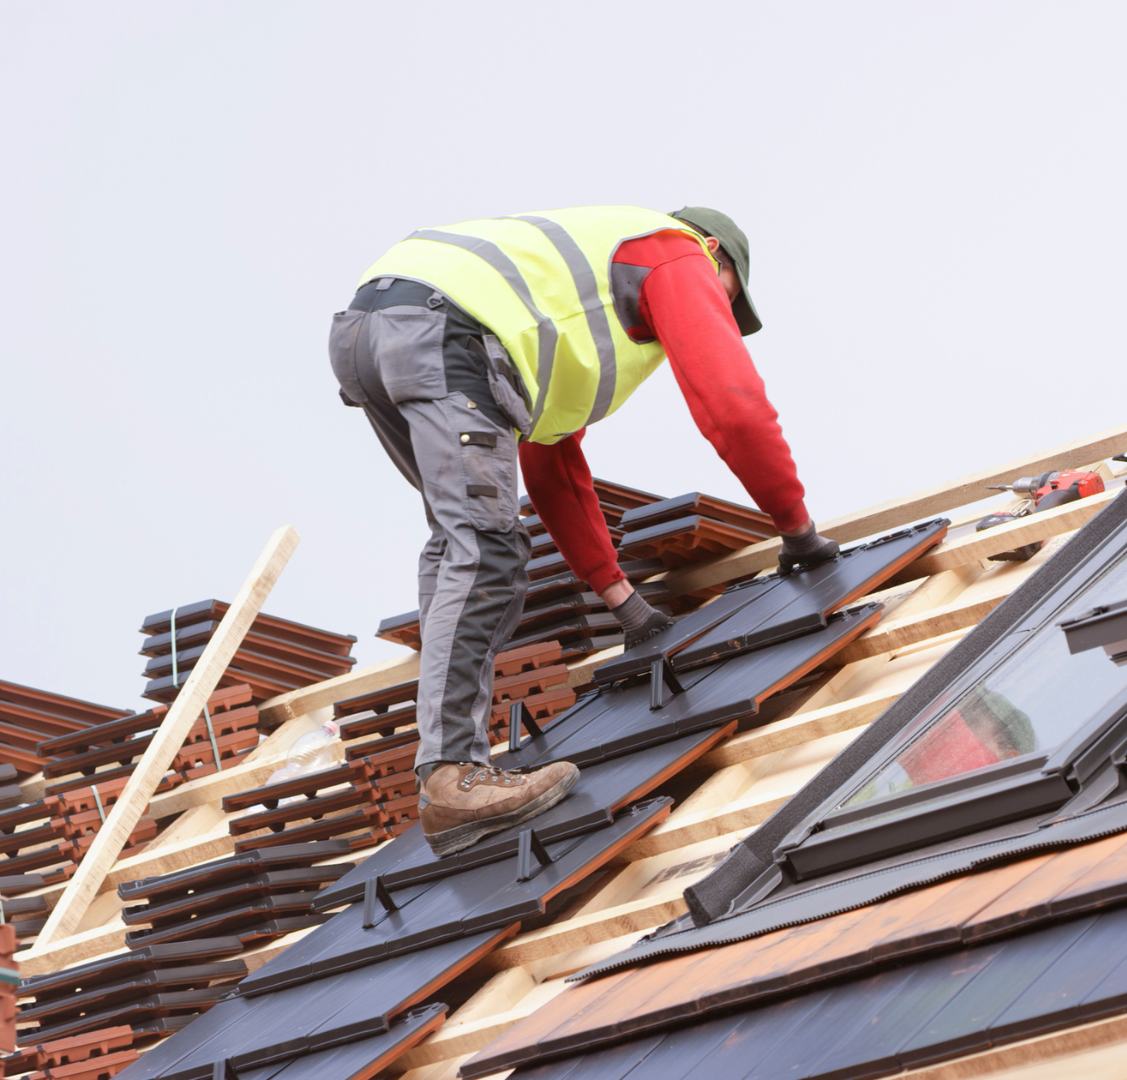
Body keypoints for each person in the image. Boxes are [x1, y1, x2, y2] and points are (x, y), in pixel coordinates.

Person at [328, 205, 839, 855]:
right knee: (483, 545)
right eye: (729, 296)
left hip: (374, 331)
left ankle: (448, 771)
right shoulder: (675, 253)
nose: (721, 312)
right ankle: (453, 779)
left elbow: (554, 469)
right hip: (443, 328)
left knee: (461, 539)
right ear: (717, 253)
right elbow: (732, 405)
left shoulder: (562, 317)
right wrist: (796, 528)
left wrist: (623, 602)